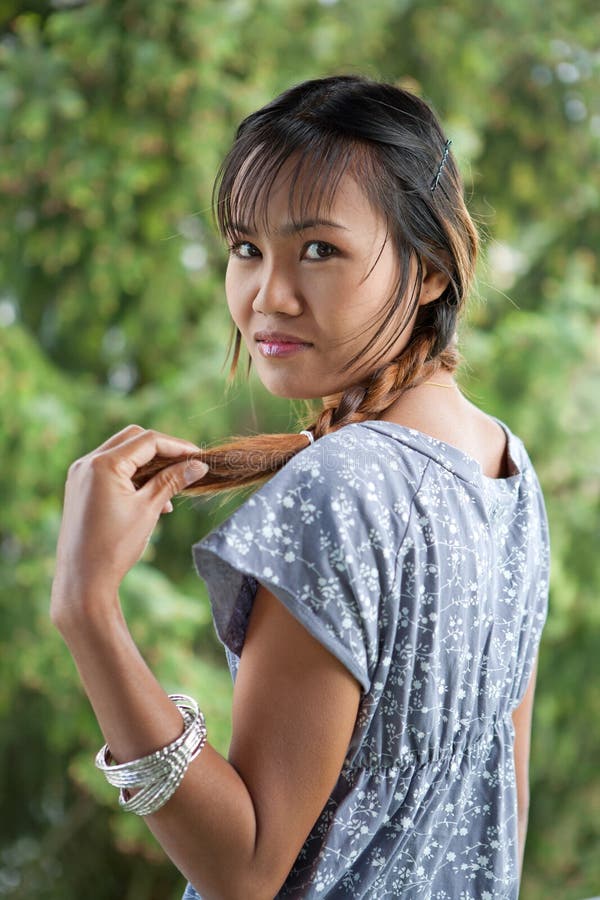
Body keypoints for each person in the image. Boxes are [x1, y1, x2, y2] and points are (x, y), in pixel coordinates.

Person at [51, 75, 550, 899]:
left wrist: (87, 609)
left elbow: (243, 871)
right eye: (246, 249)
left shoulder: (342, 487)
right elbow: (503, 820)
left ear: (430, 269)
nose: (267, 297)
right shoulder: (506, 466)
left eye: (319, 250)